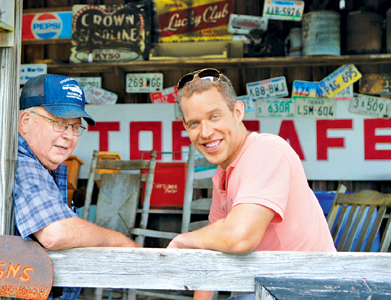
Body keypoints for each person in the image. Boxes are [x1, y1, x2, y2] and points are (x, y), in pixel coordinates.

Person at [167, 68, 336, 300]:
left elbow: (239, 237)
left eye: (214, 116)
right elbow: (210, 251)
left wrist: (182, 240)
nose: (205, 132)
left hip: (308, 291)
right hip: (270, 289)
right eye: (194, 123)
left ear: (237, 112)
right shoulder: (223, 173)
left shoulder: (267, 151)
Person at [14, 74, 140, 300]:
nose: (68, 136)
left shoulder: (47, 166)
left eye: (74, 126)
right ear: (25, 121)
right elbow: (55, 233)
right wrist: (120, 241)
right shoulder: (22, 162)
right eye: (58, 123)